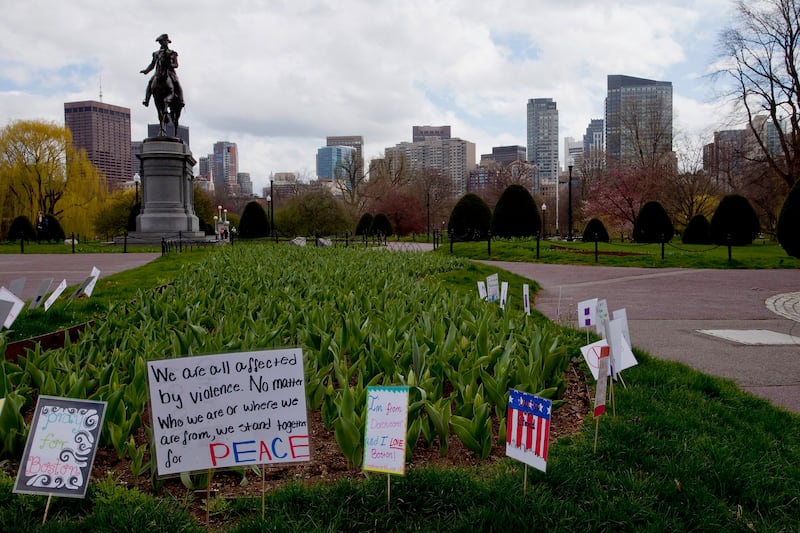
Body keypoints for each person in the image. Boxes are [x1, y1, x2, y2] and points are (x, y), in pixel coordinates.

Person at [141, 34, 184, 108]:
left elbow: (176, 65)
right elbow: (152, 64)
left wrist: (170, 65)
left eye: (165, 41)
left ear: (167, 41)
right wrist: (146, 71)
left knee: (177, 82)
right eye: (162, 41)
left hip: (170, 72)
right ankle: (146, 99)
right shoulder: (156, 53)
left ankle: (181, 99)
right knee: (150, 82)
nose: (163, 42)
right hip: (158, 73)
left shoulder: (172, 53)